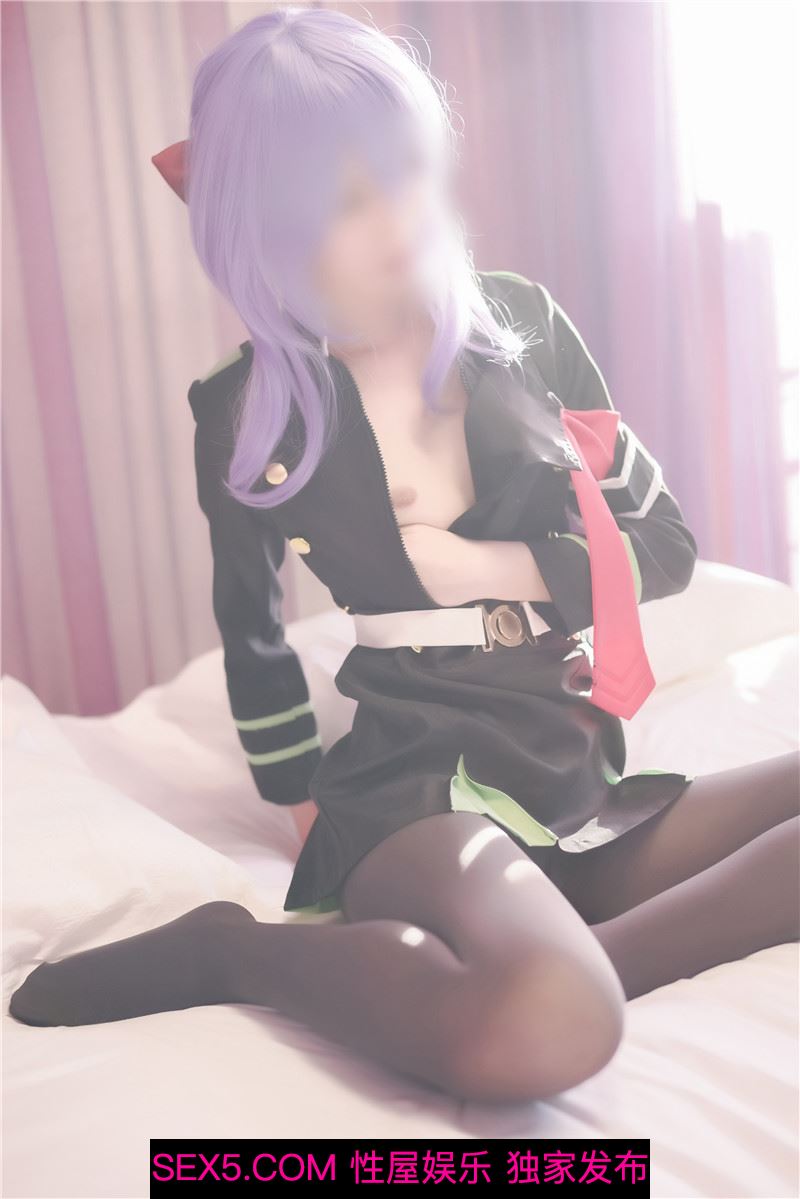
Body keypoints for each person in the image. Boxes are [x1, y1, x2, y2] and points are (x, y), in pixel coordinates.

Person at [10, 7, 799, 1105]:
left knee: (572, 974)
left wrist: (493, 570)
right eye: (349, 200)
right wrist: (296, 796)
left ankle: (552, 948)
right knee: (553, 1014)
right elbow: (251, 627)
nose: (401, 217)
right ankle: (237, 953)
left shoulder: (522, 327)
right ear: (267, 227)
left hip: (564, 762)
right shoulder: (246, 409)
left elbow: (660, 548)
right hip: (412, 787)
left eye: (408, 170)